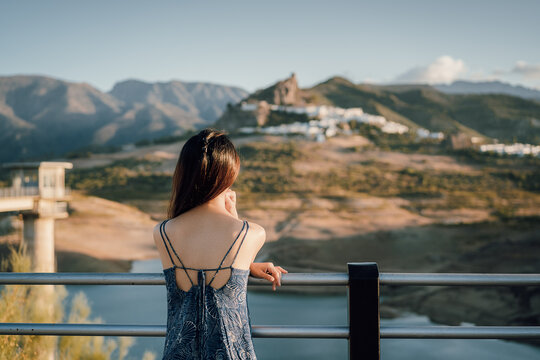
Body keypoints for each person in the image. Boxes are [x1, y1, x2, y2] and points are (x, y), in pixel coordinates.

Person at [153, 128, 288, 360]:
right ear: (230, 174)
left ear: (185, 173)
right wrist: (234, 216)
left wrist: (249, 267)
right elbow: (230, 254)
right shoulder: (252, 233)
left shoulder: (163, 232)